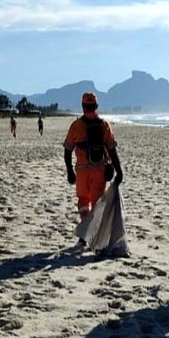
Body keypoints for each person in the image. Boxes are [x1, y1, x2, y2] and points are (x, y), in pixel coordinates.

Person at [64, 92, 124, 234]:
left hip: (82, 171)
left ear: (83, 106)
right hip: (99, 171)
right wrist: (119, 170)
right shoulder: (104, 125)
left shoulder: (76, 125)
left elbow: (67, 151)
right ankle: (95, 233)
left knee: (84, 201)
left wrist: (69, 171)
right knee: (97, 203)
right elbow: (112, 150)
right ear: (96, 106)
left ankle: (85, 229)